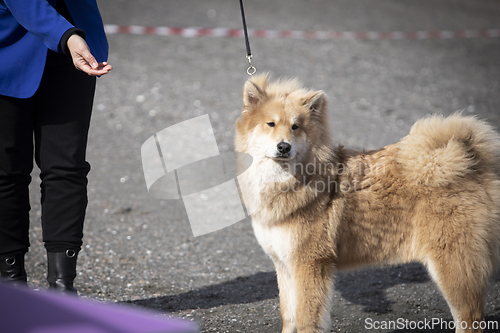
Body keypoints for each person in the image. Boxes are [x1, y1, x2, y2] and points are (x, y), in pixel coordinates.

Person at [0, 0, 112, 294]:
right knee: (6, 170)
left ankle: (63, 291)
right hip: (8, 43)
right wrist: (66, 35)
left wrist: (72, 36)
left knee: (67, 168)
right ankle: (12, 290)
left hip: (77, 39)